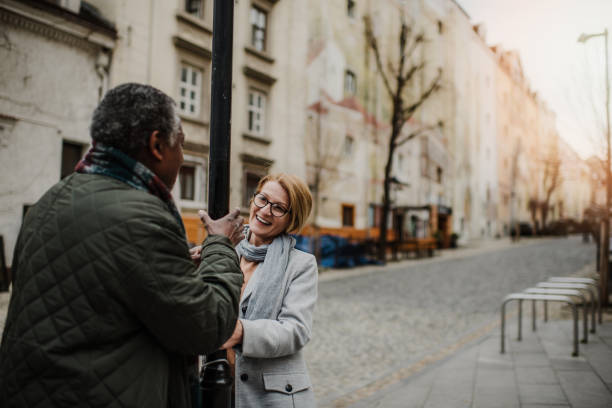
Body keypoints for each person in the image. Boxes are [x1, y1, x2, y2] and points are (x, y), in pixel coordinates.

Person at [0, 83, 245, 408]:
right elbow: (208, 324)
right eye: (180, 145)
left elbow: (100, 287)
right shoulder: (142, 217)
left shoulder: (51, 199)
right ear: (157, 145)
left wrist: (177, 268)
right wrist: (219, 245)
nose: (182, 157)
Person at [221, 173, 318, 407]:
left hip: (272, 397)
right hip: (220, 388)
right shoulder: (225, 251)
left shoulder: (301, 264)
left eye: (278, 208)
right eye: (262, 199)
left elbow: (295, 330)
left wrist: (242, 332)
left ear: (291, 219)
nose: (265, 211)